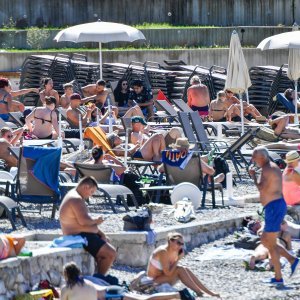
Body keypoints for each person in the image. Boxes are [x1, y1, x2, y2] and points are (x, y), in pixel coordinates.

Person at [248, 146, 299, 285]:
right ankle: (286, 267)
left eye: (254, 157)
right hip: (275, 206)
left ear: (262, 157)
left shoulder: (266, 169)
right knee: (267, 241)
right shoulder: (273, 166)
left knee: (268, 242)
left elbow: (261, 187)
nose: (253, 160)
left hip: (273, 207)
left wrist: (252, 174)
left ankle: (285, 269)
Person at [59, 176, 116, 275]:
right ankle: (100, 278)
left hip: (82, 234)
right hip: (78, 236)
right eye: (91, 192)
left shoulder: (74, 195)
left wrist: (100, 233)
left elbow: (83, 222)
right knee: (110, 253)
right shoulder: (76, 199)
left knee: (106, 244)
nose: (91, 195)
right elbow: (84, 221)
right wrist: (96, 221)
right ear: (85, 187)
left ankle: (98, 275)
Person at [147, 232, 220, 298]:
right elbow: (168, 273)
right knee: (180, 269)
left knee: (185, 269)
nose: (180, 246)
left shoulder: (175, 251)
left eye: (182, 244)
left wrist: (177, 258)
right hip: (152, 283)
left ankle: (209, 292)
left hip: (163, 279)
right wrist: (178, 259)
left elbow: (170, 270)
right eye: (178, 243)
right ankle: (199, 292)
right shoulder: (163, 251)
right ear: (170, 241)